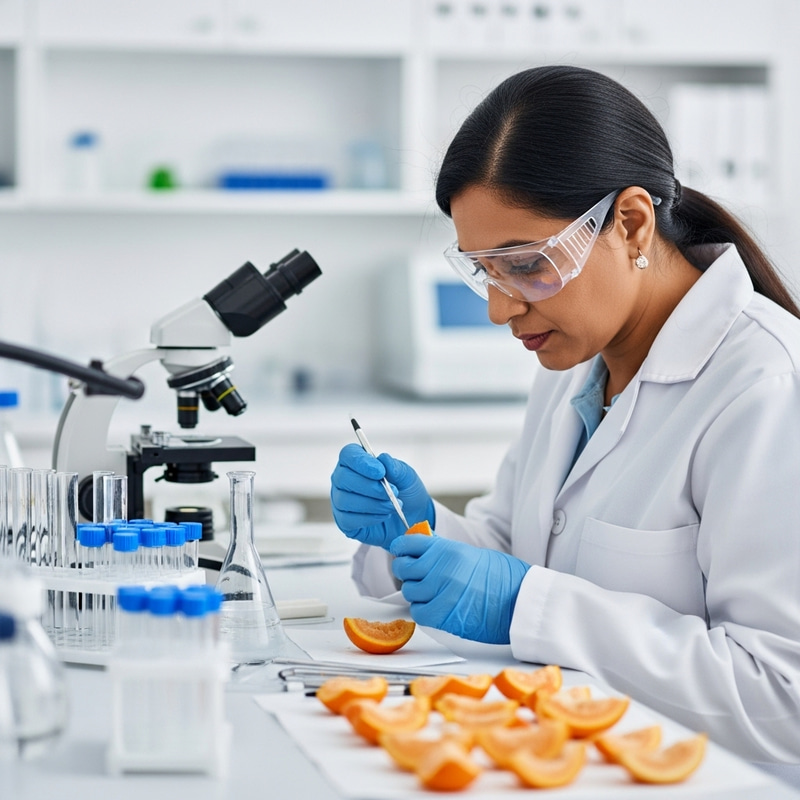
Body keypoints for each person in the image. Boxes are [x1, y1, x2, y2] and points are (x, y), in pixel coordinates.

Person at [329, 65, 800, 781]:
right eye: (485, 270)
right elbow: (522, 547)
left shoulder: (765, 385)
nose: (500, 308)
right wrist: (414, 531)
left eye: (526, 264)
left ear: (632, 223)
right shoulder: (578, 359)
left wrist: (527, 605)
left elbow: (781, 696)